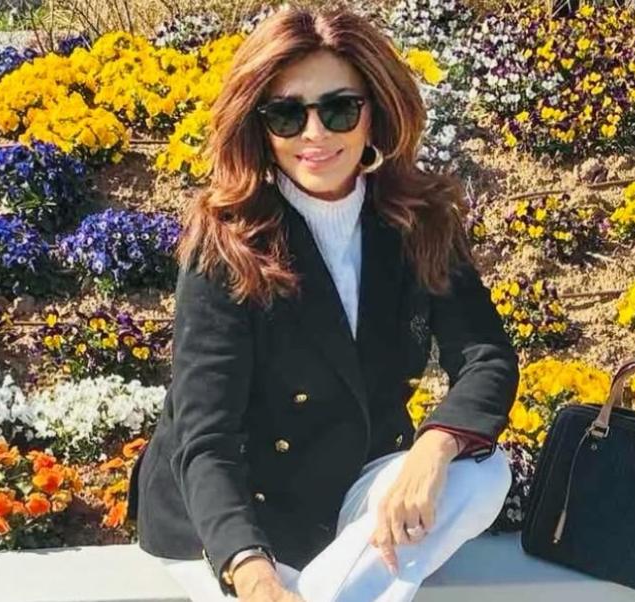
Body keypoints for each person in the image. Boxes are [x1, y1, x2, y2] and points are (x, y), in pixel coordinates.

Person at [128, 5, 518, 601]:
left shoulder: (420, 222)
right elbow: (206, 438)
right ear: (260, 127)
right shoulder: (228, 238)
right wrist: (252, 573)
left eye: (339, 109)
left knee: (483, 470)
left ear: (375, 114)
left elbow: (486, 356)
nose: (314, 134)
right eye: (287, 115)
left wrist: (434, 447)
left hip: (352, 490)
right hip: (234, 512)